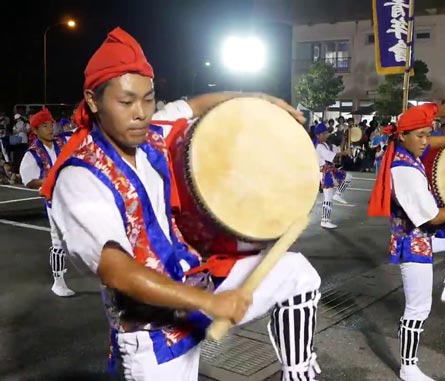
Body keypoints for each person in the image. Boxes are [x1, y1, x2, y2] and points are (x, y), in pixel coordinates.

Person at [41, 27, 322, 381]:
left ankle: (298, 375)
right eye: (126, 102)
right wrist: (209, 303)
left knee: (296, 274)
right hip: (151, 337)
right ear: (93, 100)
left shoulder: (152, 131)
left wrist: (259, 98)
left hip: (195, 291)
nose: (141, 112)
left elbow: (197, 105)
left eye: (148, 99)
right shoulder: (80, 176)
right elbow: (115, 268)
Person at [368, 104, 445, 381]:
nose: (426, 141)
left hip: (423, 238)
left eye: (427, 134)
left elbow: (427, 139)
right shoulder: (405, 171)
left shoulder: (403, 147)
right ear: (403, 136)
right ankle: (408, 367)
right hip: (414, 243)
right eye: (420, 136)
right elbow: (433, 218)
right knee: (418, 308)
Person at [19, 107, 74, 297]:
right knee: (58, 242)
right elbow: (28, 180)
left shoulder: (63, 141)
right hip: (55, 201)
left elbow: (80, 136)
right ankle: (58, 282)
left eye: (51, 124)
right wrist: (49, 180)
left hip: (74, 195)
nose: (50, 128)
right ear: (35, 130)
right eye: (44, 126)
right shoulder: (32, 154)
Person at [314, 123, 352, 229]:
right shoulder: (319, 147)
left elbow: (339, 149)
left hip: (330, 171)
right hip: (325, 173)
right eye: (324, 133)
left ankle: (338, 194)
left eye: (326, 133)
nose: (326, 135)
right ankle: (325, 220)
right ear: (319, 135)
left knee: (348, 177)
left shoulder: (327, 145)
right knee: (328, 197)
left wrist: (345, 138)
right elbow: (334, 157)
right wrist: (345, 152)